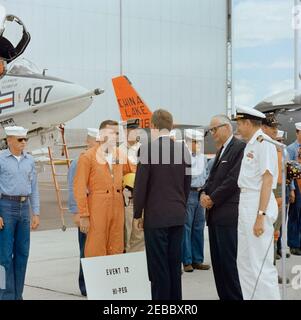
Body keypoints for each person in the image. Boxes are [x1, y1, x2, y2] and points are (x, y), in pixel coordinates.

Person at [133, 109, 191, 300]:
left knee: (159, 269)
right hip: (177, 215)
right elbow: (186, 184)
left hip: (157, 218)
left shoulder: (147, 149)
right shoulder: (183, 150)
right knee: (174, 265)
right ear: (172, 126)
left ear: (152, 126)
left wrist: (137, 214)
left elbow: (140, 185)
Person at [234, 106, 280, 300]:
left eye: (238, 124)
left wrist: (260, 216)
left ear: (247, 123)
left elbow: (268, 180)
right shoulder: (251, 144)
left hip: (256, 204)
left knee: (261, 264)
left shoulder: (264, 143)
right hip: (246, 201)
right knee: (244, 262)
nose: (237, 128)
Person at [200, 115, 245, 300]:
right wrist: (202, 193)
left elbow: (233, 180)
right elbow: (211, 179)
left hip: (227, 216)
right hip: (214, 216)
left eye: (214, 129)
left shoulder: (239, 148)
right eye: (211, 130)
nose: (212, 133)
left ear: (226, 127)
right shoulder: (221, 151)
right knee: (218, 267)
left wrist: (212, 198)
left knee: (229, 266)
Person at [74, 120, 131, 258]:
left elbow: (132, 173)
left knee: (116, 244)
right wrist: (84, 215)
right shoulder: (88, 157)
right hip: (97, 206)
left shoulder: (120, 155)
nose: (116, 136)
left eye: (117, 133)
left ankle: (114, 279)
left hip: (117, 204)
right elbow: (79, 186)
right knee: (96, 246)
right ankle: (95, 279)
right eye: (112, 133)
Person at [0, 126, 40, 300]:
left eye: (25, 139)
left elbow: (34, 188)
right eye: (20, 140)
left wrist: (36, 212)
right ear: (9, 140)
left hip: (24, 209)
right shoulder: (1, 159)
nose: (24, 142)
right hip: (6, 207)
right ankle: (5, 296)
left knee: (23, 254)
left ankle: (18, 295)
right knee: (4, 257)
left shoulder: (29, 160)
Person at [67, 128, 100, 296]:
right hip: (85, 212)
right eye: (97, 141)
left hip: (99, 211)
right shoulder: (79, 161)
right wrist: (77, 213)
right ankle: (85, 285)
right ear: (89, 141)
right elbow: (74, 189)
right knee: (85, 249)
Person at [182, 129, 210, 272]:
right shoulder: (183, 157)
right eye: (194, 141)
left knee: (198, 227)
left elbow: (205, 176)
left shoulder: (203, 158)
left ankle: (197, 259)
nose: (197, 144)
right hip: (188, 194)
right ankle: (186, 261)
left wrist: (204, 191)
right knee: (186, 228)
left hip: (200, 193)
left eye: (199, 142)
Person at [122, 119, 144, 253]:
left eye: (136, 130)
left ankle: (138, 262)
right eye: (131, 130)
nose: (133, 133)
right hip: (126, 198)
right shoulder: (119, 150)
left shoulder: (144, 149)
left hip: (141, 197)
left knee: (139, 232)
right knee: (126, 231)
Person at [287, 122, 301, 255]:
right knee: (294, 215)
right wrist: (291, 189)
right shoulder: (291, 149)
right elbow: (289, 172)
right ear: (297, 133)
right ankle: (294, 244)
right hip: (296, 184)